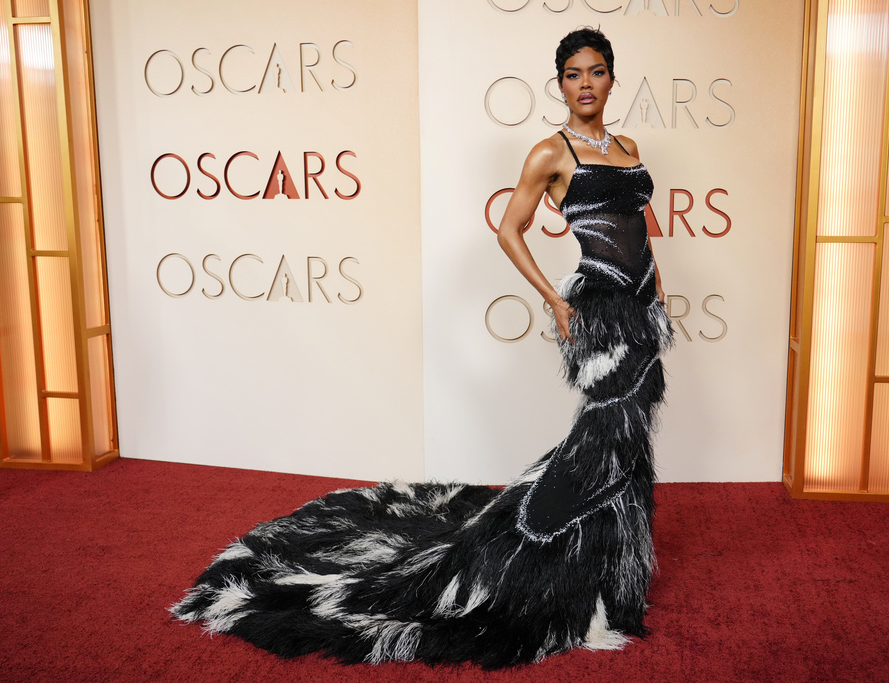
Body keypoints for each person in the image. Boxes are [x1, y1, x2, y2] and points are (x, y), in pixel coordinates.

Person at [171, 28, 673, 669]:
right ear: (560, 84)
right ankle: (536, 564)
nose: (584, 84)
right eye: (572, 74)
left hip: (643, 310)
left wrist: (661, 296)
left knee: (631, 445)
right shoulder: (551, 151)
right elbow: (508, 230)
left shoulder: (628, 148)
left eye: (595, 72)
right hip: (600, 311)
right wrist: (554, 298)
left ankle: (612, 572)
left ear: (611, 79)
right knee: (601, 441)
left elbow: (641, 234)